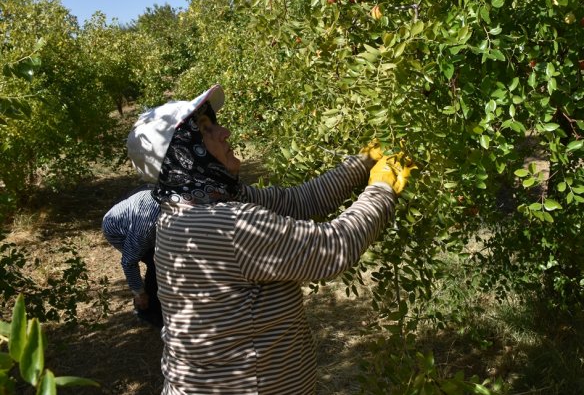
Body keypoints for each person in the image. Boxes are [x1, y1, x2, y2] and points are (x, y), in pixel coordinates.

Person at [125, 84, 411, 394]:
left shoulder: (194, 206)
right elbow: (333, 247)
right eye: (206, 130)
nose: (225, 132)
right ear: (182, 153)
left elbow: (300, 201)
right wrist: (382, 188)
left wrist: (362, 162)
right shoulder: (225, 225)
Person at [101, 185, 163, 328]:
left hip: (138, 211)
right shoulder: (146, 226)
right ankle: (148, 310)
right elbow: (129, 261)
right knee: (156, 264)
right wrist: (139, 292)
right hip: (118, 230)